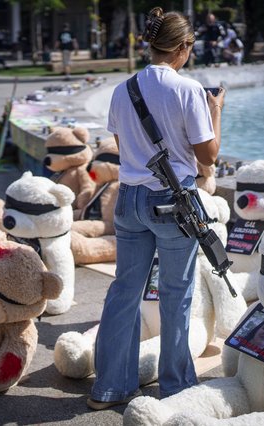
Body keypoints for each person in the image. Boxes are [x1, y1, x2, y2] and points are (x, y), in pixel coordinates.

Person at [87, 6, 225, 410]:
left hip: (128, 199)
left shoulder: (122, 89)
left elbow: (122, 142)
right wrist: (215, 113)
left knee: (124, 291)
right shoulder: (188, 90)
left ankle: (109, 387)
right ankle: (176, 387)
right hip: (173, 202)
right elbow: (209, 158)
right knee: (176, 294)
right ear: (182, 47)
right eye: (191, 47)